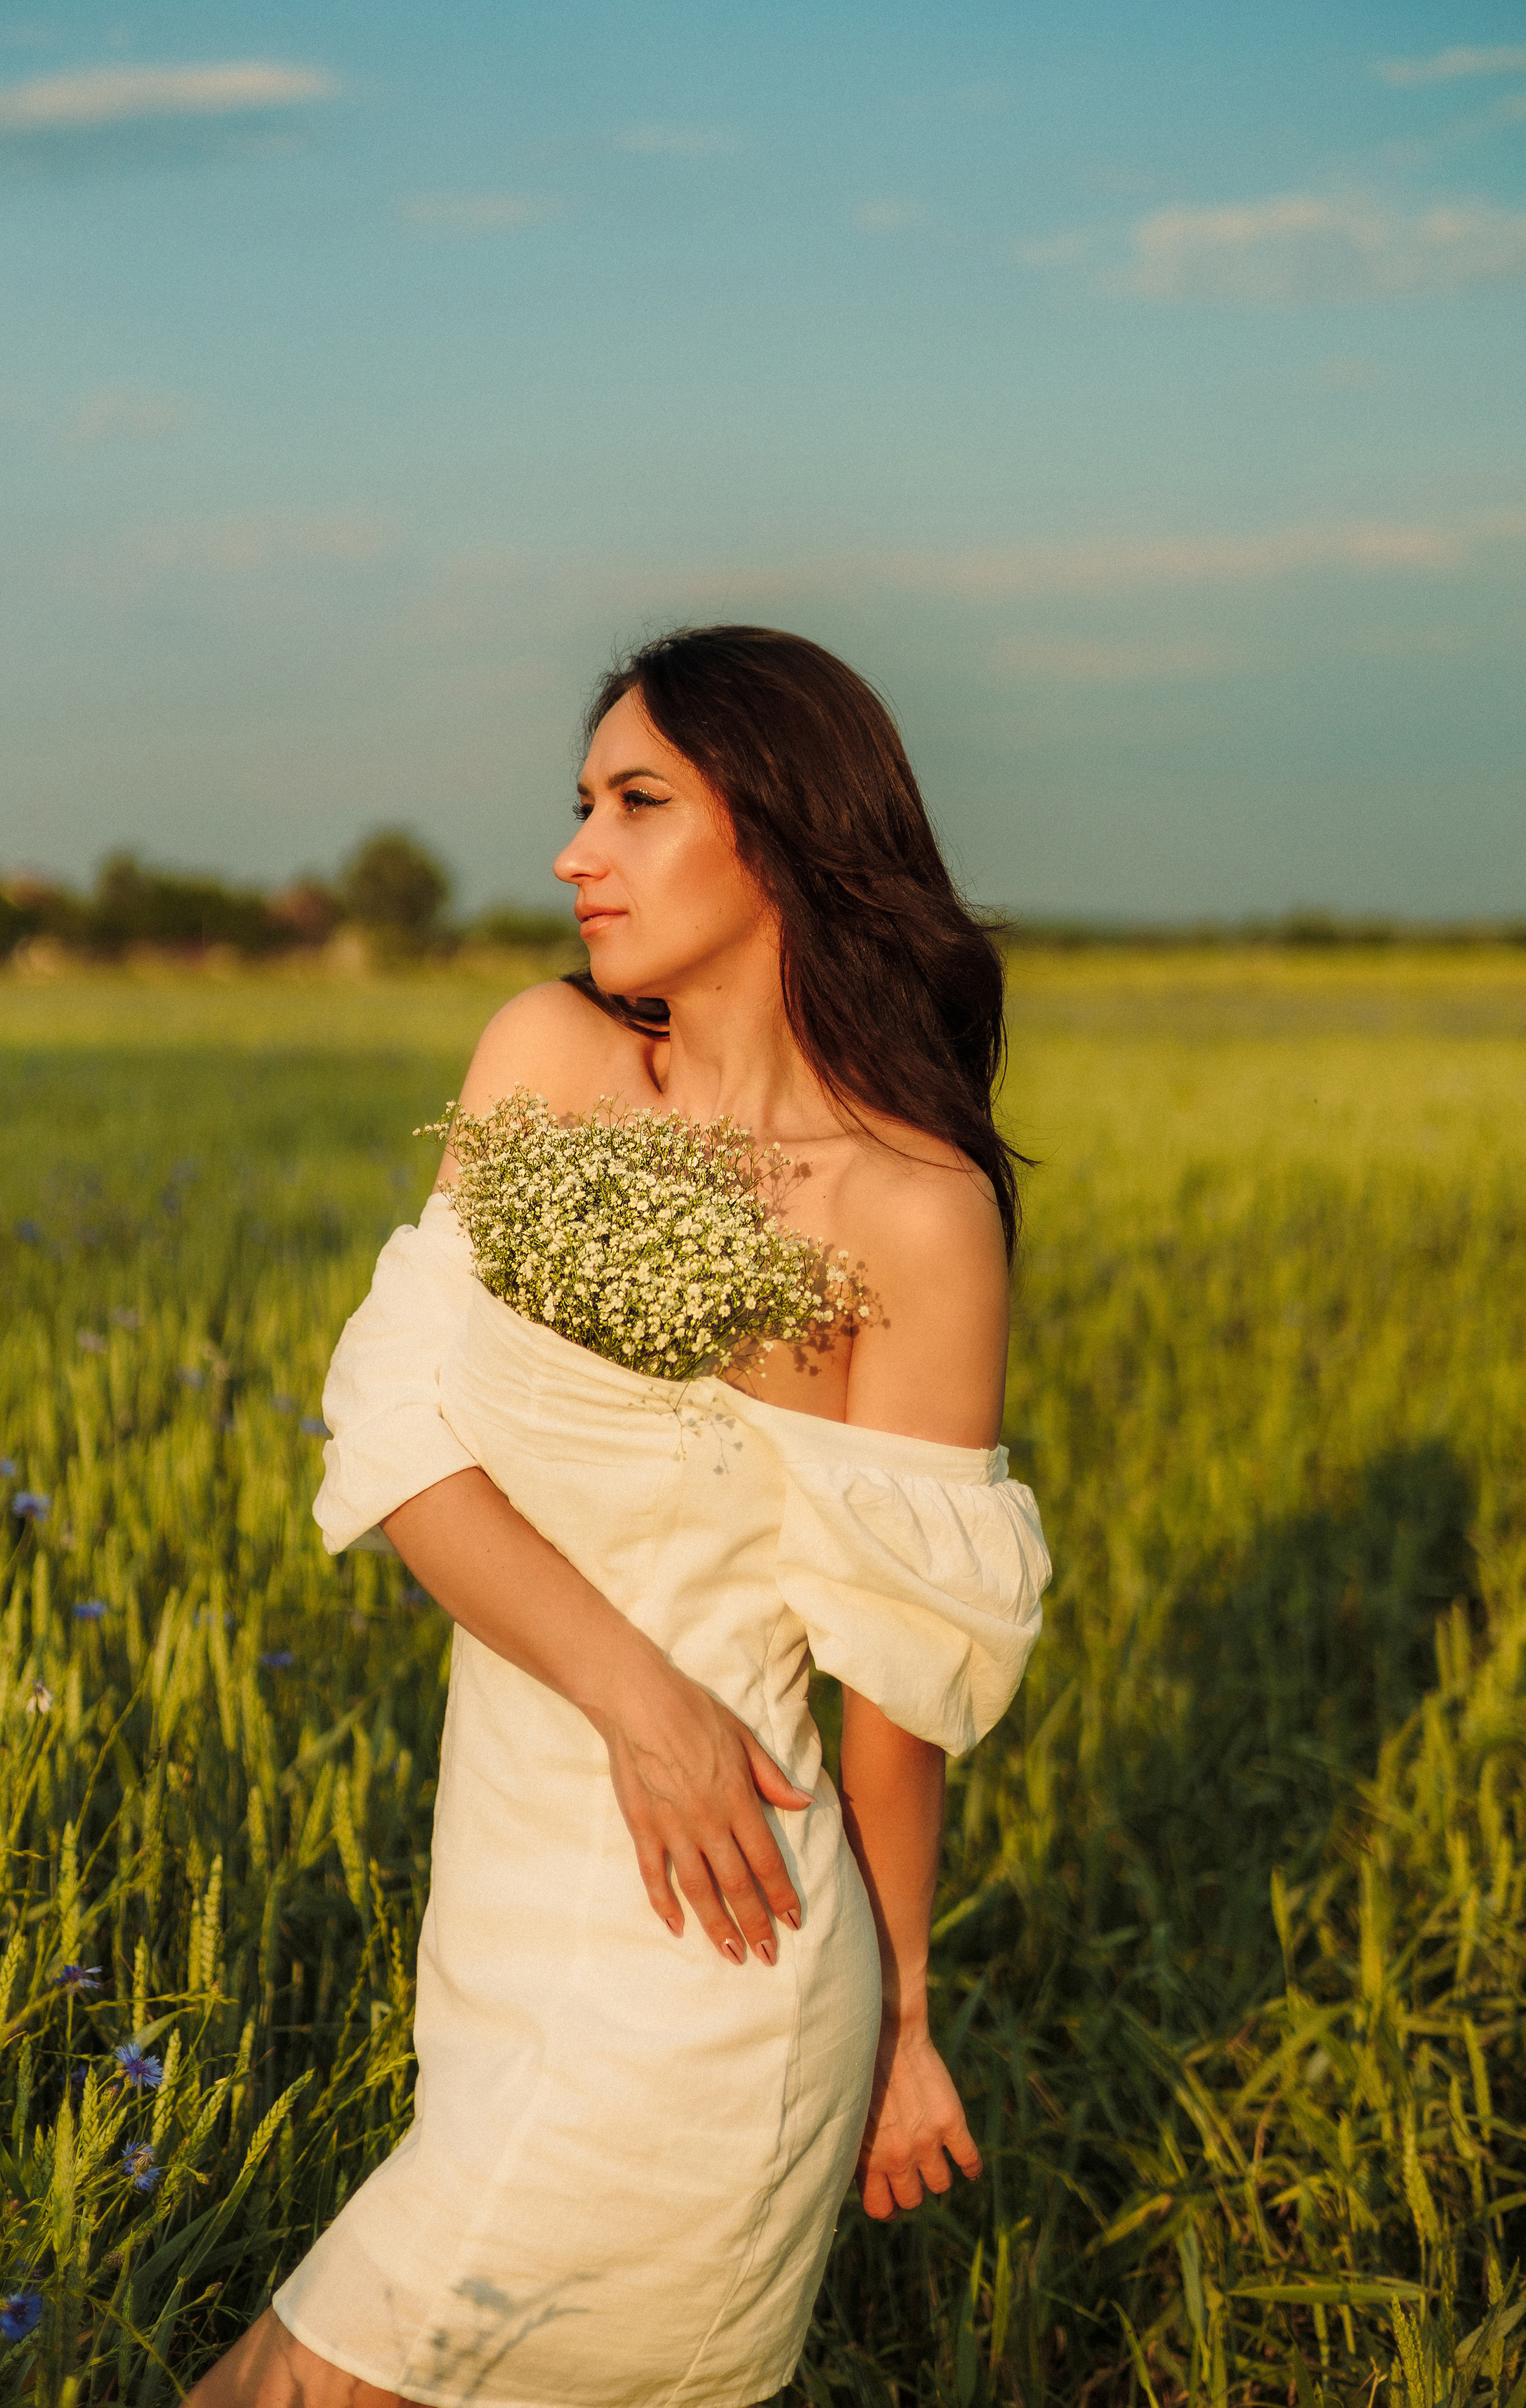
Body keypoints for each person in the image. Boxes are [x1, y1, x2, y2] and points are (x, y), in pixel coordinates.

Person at [188, 626, 1050, 2408]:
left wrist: (895, 2023)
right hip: (504, 1919)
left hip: (710, 1967)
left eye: (637, 803)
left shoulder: (911, 1210)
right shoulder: (543, 1063)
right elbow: (399, 1434)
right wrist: (637, 1699)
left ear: (788, 830)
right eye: (578, 803)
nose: (577, 851)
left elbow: (897, 1680)